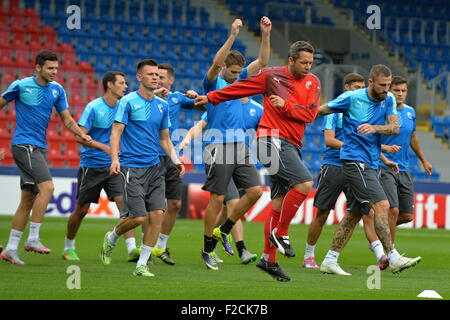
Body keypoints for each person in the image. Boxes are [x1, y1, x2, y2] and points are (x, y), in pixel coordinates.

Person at [195, 40, 322, 282]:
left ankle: (268, 259)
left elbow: (310, 114)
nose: (308, 67)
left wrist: (287, 106)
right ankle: (281, 234)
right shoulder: (270, 76)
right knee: (305, 184)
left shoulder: (312, 82)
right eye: (303, 62)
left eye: (311, 63)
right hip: (270, 139)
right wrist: (211, 97)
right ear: (291, 59)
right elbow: (238, 88)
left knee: (277, 202)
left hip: (292, 144)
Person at [315, 64, 421, 275]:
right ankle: (392, 256)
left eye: (389, 85)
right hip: (354, 161)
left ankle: (330, 259)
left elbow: (394, 127)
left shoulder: (388, 99)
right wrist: (291, 114)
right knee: (382, 204)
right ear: (371, 82)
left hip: (372, 162)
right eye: (383, 85)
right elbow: (321, 110)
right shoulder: (352, 98)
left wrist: (375, 128)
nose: (387, 89)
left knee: (355, 213)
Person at [191, 17, 271, 271]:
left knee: (256, 192)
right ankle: (207, 250)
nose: (238, 77)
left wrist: (265, 34)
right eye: (234, 72)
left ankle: (224, 230)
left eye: (240, 73)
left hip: (240, 147)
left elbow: (264, 62)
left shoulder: (241, 82)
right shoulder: (215, 82)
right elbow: (215, 63)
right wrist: (233, 34)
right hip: (217, 145)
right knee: (217, 199)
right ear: (225, 68)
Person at [0, 50, 92, 265]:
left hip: (39, 147)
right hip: (24, 145)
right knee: (48, 188)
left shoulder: (57, 90)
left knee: (28, 199)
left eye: (56, 69)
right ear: (38, 67)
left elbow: (67, 120)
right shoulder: (21, 85)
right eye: (50, 68)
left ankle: (11, 248)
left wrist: (81, 134)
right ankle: (33, 238)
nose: (54, 72)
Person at [99, 59, 185, 277]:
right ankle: (112, 236)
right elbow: (116, 131)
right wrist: (115, 158)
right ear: (139, 77)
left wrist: (175, 160)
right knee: (138, 218)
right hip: (131, 167)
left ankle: (142, 265)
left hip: (155, 167)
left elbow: (164, 139)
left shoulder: (162, 105)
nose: (155, 77)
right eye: (150, 74)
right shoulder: (127, 102)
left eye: (157, 74)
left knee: (157, 214)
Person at [303, 73, 390, 271]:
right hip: (334, 165)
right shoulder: (335, 111)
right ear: (346, 87)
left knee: (363, 212)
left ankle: (380, 255)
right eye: (355, 87)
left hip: (357, 166)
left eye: (361, 87)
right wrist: (354, 148)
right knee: (323, 213)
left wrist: (381, 155)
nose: (358, 90)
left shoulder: (364, 110)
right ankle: (309, 256)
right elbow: (329, 141)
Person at [180, 97, 264, 264]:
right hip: (220, 156)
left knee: (227, 209)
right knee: (233, 203)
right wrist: (187, 138)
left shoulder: (257, 109)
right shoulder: (223, 104)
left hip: (242, 159)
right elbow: (200, 125)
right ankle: (242, 250)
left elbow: (263, 134)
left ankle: (213, 242)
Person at [62, 71, 129, 261]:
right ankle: (69, 247)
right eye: (122, 83)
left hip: (114, 166)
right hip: (91, 166)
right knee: (82, 210)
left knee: (125, 206)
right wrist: (104, 148)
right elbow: (79, 135)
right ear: (110, 85)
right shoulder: (93, 107)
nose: (125, 86)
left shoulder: (124, 107)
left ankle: (132, 249)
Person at [150, 62, 199, 265]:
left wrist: (196, 96)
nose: (157, 80)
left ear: (171, 81)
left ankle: (160, 247)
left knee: (175, 204)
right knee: (151, 207)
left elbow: (206, 106)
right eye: (155, 76)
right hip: (151, 155)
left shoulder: (177, 98)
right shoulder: (146, 99)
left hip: (172, 156)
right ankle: (146, 248)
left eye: (161, 77)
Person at [380, 76, 432, 243]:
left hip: (404, 168)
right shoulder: (381, 111)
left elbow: (413, 137)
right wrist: (384, 150)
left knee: (407, 215)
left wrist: (424, 160)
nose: (400, 94)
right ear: (389, 91)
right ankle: (391, 253)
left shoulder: (410, 112)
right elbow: (370, 137)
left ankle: (379, 230)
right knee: (393, 210)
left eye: (403, 91)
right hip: (384, 165)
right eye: (396, 90)